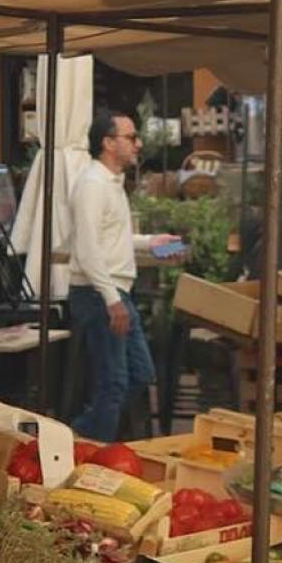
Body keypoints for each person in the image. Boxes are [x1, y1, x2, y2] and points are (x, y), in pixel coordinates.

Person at [67, 110, 165, 442]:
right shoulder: (93, 184)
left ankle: (81, 436)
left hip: (114, 291)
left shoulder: (111, 183)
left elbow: (111, 240)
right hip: (100, 293)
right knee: (114, 382)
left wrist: (153, 243)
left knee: (140, 373)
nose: (138, 144)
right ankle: (87, 447)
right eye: (131, 137)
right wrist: (111, 300)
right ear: (108, 143)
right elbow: (87, 247)